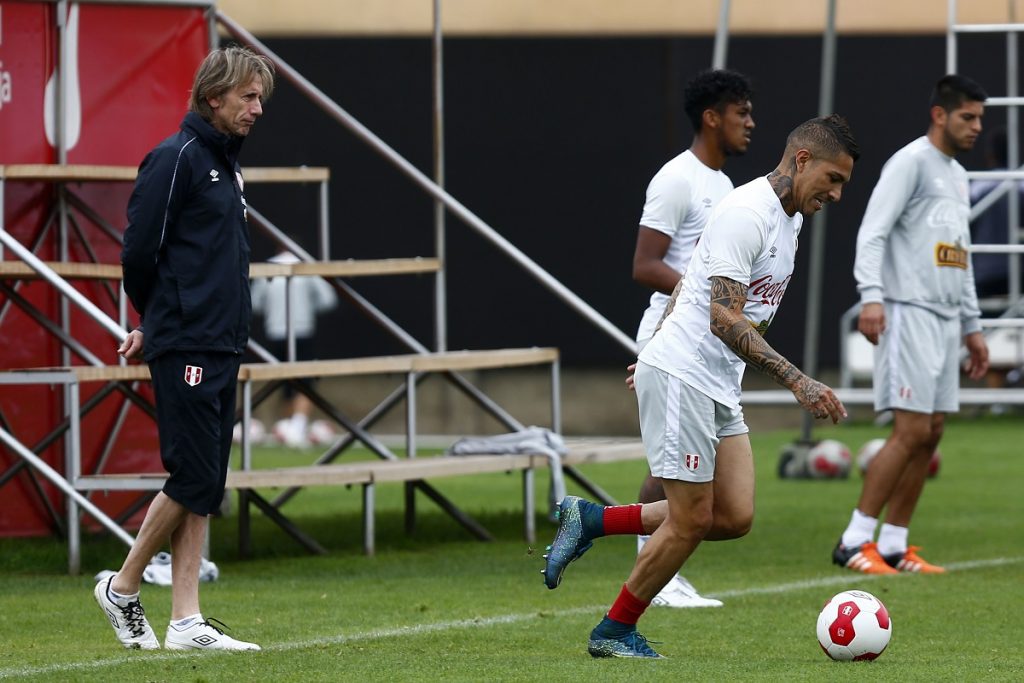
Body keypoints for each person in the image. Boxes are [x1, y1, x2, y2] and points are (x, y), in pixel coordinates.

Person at [543, 114, 859, 658]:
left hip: (713, 380)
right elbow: (722, 317)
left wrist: (654, 344)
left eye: (843, 185)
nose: (836, 194)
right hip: (685, 373)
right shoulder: (746, 212)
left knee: (733, 516)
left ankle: (592, 518)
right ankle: (614, 630)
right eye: (833, 179)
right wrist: (798, 381)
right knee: (690, 519)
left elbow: (691, 276)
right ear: (803, 160)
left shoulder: (791, 218)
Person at [96, 45, 274, 651]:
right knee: (195, 475)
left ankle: (186, 622)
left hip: (220, 340)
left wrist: (160, 321)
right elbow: (139, 252)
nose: (256, 109)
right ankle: (121, 587)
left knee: (204, 481)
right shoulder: (177, 158)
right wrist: (159, 320)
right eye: (248, 97)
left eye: (260, 98)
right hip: (190, 341)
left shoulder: (227, 165)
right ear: (212, 98)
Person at [832, 74, 990, 575]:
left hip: (946, 320)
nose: (977, 127)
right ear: (939, 115)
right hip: (907, 311)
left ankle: (896, 544)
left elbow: (958, 256)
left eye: (980, 118)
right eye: (968, 116)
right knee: (909, 430)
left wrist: (972, 325)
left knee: (932, 431)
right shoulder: (909, 163)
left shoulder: (958, 176)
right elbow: (873, 233)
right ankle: (854, 540)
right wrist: (871, 298)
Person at [628, 68, 754, 609]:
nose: (751, 123)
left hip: (708, 345)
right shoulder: (677, 179)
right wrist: (702, 297)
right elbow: (645, 264)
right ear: (712, 117)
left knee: (689, 473)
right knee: (669, 470)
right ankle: (654, 571)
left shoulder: (724, 186)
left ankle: (652, 561)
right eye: (741, 112)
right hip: (671, 333)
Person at [251, 250, 338, 448]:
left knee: (287, 383)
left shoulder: (268, 267)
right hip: (302, 330)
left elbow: (255, 303)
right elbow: (327, 299)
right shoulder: (306, 266)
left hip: (275, 331)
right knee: (303, 382)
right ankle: (295, 428)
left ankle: (294, 428)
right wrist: (307, 308)